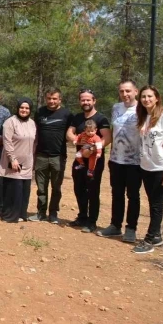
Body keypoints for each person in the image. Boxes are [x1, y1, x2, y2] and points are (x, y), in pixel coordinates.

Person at [132, 85, 163, 254]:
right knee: (153, 203)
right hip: (147, 167)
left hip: (162, 168)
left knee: (157, 205)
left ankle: (149, 240)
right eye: (143, 96)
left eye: (150, 96)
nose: (146, 99)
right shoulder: (144, 117)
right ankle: (157, 236)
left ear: (157, 98)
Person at [96, 81, 142, 243]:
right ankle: (115, 225)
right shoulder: (116, 107)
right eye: (122, 91)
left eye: (128, 91)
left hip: (135, 161)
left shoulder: (142, 108)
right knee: (117, 194)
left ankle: (131, 229)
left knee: (133, 196)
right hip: (116, 159)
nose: (125, 94)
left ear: (136, 91)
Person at [66, 90, 111, 233]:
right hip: (80, 160)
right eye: (83, 100)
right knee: (79, 188)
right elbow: (69, 132)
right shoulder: (77, 118)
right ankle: (82, 217)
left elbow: (107, 138)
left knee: (92, 190)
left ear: (94, 101)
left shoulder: (101, 119)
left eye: (88, 100)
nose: (85, 102)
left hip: (94, 161)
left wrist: (91, 149)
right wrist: (76, 140)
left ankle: (92, 221)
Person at [29, 88, 71, 224]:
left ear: (60, 100)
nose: (51, 101)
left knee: (56, 187)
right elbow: (35, 132)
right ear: (45, 99)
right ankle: (41, 212)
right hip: (41, 155)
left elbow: (71, 133)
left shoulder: (67, 114)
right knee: (41, 187)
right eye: (49, 98)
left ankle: (53, 213)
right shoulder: (40, 112)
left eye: (54, 99)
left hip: (58, 156)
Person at [0, 99, 36, 223]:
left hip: (27, 162)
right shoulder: (10, 122)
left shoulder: (32, 123)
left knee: (25, 190)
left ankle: (21, 214)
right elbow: (7, 141)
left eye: (27, 108)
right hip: (13, 162)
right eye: (22, 107)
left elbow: (34, 142)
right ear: (17, 108)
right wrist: (12, 159)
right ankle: (10, 216)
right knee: (14, 190)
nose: (24, 110)